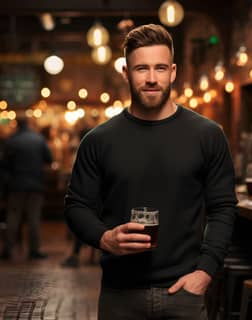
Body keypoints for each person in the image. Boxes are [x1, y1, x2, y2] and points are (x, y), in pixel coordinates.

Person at [64, 24, 237, 320]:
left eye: (160, 68)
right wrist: (105, 238)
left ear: (172, 71)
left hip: (184, 292)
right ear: (126, 73)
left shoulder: (207, 135)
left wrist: (206, 271)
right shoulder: (98, 140)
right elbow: (77, 205)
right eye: (141, 69)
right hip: (119, 295)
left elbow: (223, 208)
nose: (152, 79)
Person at [1, 116, 53, 260]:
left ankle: (8, 249)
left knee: (13, 217)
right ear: (29, 124)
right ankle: (34, 250)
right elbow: (49, 159)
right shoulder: (38, 139)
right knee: (34, 218)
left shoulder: (11, 141)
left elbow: (4, 164)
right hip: (36, 185)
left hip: (16, 185)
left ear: (17, 124)